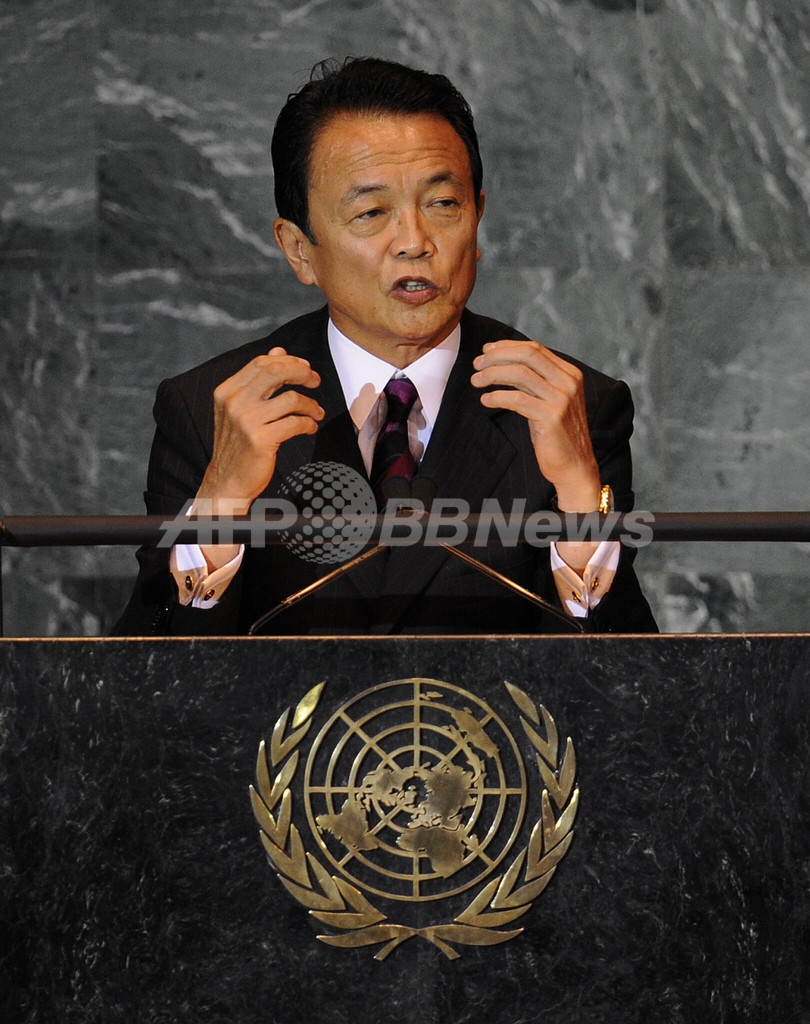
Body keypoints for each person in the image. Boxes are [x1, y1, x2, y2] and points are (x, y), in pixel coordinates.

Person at [114, 57, 656, 636]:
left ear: (478, 216)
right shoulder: (208, 410)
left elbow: (631, 676)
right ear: (299, 249)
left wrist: (581, 502)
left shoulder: (574, 406)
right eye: (371, 212)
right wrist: (217, 509)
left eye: (443, 204)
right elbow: (144, 670)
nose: (415, 242)